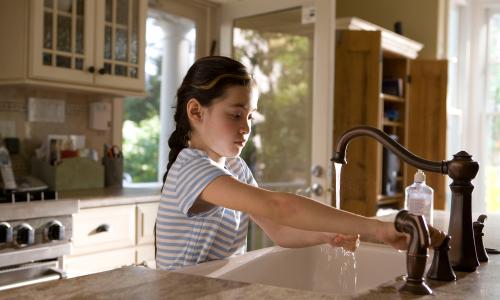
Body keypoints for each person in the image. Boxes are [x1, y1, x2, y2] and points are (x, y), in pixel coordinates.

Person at [155, 56, 437, 271]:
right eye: (235, 115)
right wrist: (377, 228)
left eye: (250, 117)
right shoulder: (190, 168)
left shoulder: (235, 167)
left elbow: (279, 229)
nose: (246, 128)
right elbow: (280, 207)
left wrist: (327, 232)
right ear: (195, 111)